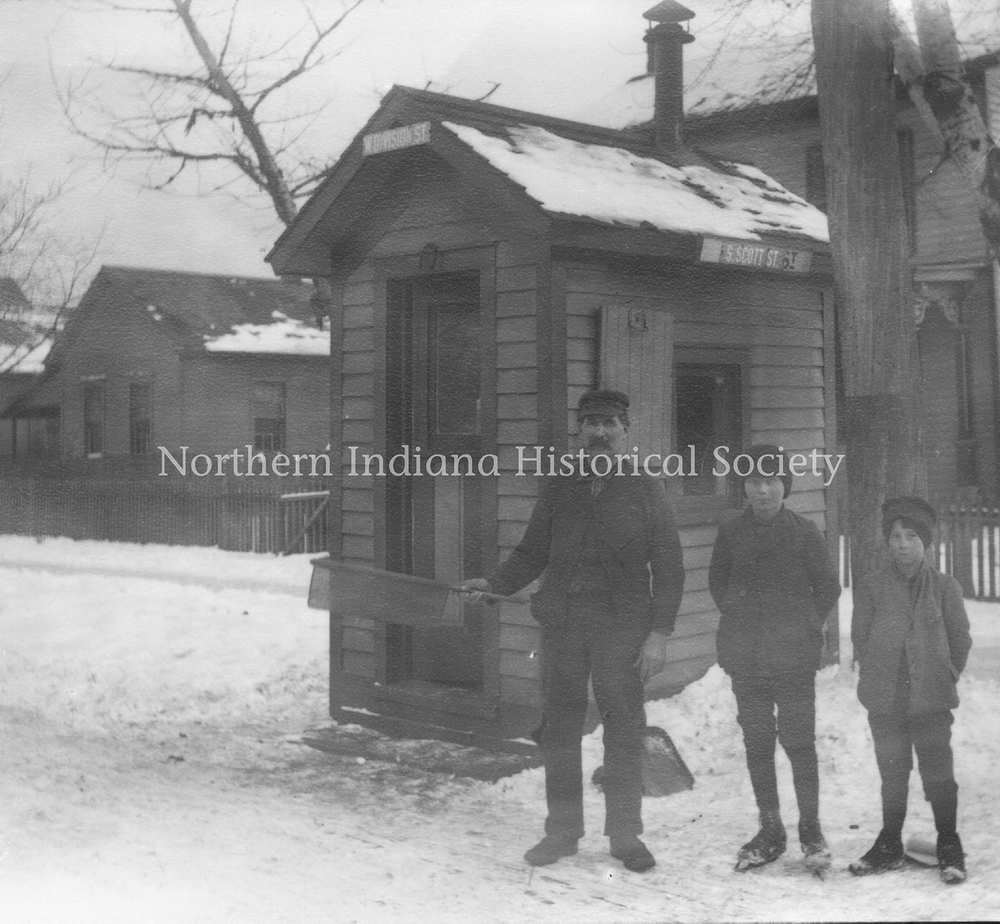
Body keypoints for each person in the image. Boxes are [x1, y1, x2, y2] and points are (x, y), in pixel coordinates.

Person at [461, 389, 684, 872]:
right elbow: (531, 552)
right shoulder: (561, 486)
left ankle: (626, 836)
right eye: (591, 424)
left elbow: (669, 567)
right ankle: (562, 833)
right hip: (564, 625)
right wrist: (494, 584)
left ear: (625, 433)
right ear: (579, 432)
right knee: (560, 731)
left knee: (623, 730)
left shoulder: (647, 489)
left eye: (610, 424)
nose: (600, 433)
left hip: (622, 629)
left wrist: (659, 634)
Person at [708, 444, 841, 874]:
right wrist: (743, 620)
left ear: (785, 485)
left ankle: (811, 830)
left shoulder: (805, 532)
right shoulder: (730, 532)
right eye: (753, 482)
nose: (762, 490)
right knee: (758, 742)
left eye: (771, 481)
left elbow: (827, 588)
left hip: (793, 660)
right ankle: (770, 830)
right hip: (747, 659)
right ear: (743, 488)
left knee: (800, 744)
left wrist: (803, 626)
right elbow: (718, 585)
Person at [848, 496, 972, 884]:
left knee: (938, 773)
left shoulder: (944, 587)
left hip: (931, 699)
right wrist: (873, 678)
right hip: (887, 699)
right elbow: (860, 637)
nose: (902, 544)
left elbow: (960, 639)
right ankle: (889, 843)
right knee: (893, 773)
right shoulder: (871, 587)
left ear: (927, 542)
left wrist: (946, 674)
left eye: (912, 536)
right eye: (896, 536)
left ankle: (949, 843)